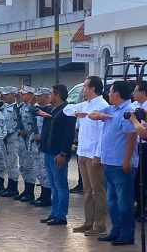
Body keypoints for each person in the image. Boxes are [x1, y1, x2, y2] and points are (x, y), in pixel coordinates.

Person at [89, 81, 138, 246]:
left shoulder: (128, 111)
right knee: (112, 201)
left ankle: (127, 234)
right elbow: (91, 114)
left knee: (124, 202)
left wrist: (127, 160)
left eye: (110, 91)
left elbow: (132, 138)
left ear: (117, 93)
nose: (108, 94)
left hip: (121, 164)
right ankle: (115, 230)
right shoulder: (111, 109)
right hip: (109, 162)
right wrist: (100, 115)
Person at [63, 76, 109, 235]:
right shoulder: (86, 104)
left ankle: (100, 224)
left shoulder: (102, 106)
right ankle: (88, 222)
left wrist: (98, 155)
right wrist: (77, 112)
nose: (83, 89)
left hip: (93, 154)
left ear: (93, 88)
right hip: (82, 152)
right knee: (88, 191)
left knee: (98, 191)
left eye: (84, 87)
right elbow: (66, 109)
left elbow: (103, 134)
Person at [37, 84, 77, 226]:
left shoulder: (67, 110)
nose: (50, 96)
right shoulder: (51, 108)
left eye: (52, 93)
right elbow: (33, 108)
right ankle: (54, 213)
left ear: (58, 95)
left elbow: (69, 134)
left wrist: (63, 153)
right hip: (47, 152)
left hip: (58, 154)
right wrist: (39, 112)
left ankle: (61, 215)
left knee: (61, 185)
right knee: (53, 185)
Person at [30, 88, 52, 207]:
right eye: (36, 96)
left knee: (45, 171)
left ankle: (47, 197)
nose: (37, 98)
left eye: (40, 96)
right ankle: (43, 195)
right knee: (38, 170)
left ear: (48, 96)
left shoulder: (50, 109)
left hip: (45, 145)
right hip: (35, 145)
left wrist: (41, 136)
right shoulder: (36, 109)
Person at [15, 86, 36, 203]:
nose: (21, 96)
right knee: (22, 166)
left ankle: (30, 192)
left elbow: (35, 124)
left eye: (24, 94)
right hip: (21, 140)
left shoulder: (34, 107)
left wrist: (27, 132)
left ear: (30, 94)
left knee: (29, 166)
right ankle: (26, 190)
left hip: (29, 140)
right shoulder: (22, 107)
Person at [0, 86, 21, 197]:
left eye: (7, 94)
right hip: (4, 140)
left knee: (12, 164)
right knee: (8, 163)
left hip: (12, 140)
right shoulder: (5, 107)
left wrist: (10, 132)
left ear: (13, 95)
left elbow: (19, 123)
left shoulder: (16, 107)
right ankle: (9, 187)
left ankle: (13, 188)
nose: (5, 96)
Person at [131, 80, 147, 218]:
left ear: (143, 93)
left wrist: (135, 119)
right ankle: (140, 206)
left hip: (145, 144)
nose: (134, 93)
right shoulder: (136, 106)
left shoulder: (145, 108)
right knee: (138, 178)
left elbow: (143, 131)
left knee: (143, 177)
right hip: (138, 145)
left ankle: (143, 208)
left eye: (136, 91)